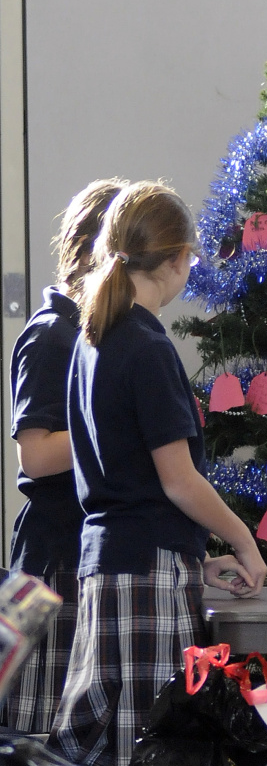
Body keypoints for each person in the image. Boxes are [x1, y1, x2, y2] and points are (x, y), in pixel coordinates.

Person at [47, 180, 267, 766]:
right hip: (144, 576)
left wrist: (195, 562)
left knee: (112, 750)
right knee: (151, 764)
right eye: (191, 258)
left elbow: (125, 478)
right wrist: (244, 541)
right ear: (174, 260)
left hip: (113, 565)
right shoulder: (146, 345)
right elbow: (177, 481)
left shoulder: (95, 338)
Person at [4, 179, 125, 735]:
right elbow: (36, 456)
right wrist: (125, 428)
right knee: (41, 741)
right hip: (52, 562)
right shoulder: (52, 335)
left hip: (87, 556)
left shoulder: (102, 335)